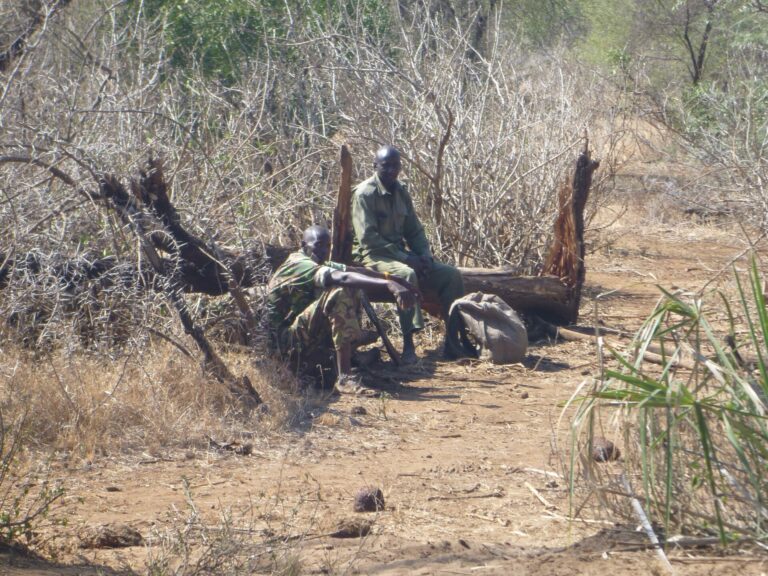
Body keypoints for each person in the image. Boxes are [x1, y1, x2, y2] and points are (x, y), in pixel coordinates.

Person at [351, 145, 470, 363]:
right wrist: (407, 259)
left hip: (399, 254)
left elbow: (414, 230)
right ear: (375, 166)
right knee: (405, 275)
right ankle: (408, 347)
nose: (391, 171)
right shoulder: (364, 194)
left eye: (395, 166)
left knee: (451, 275)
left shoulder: (401, 191)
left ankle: (453, 342)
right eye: (386, 166)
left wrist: (424, 255)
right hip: (372, 257)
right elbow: (368, 239)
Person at [266, 225, 417, 394]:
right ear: (304, 245)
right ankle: (344, 378)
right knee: (340, 291)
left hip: (298, 334)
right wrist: (388, 285)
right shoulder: (300, 263)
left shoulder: (315, 261)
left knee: (354, 285)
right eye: (319, 245)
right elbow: (343, 277)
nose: (324, 250)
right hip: (282, 341)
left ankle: (345, 357)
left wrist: (393, 279)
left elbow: (353, 271)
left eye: (328, 246)